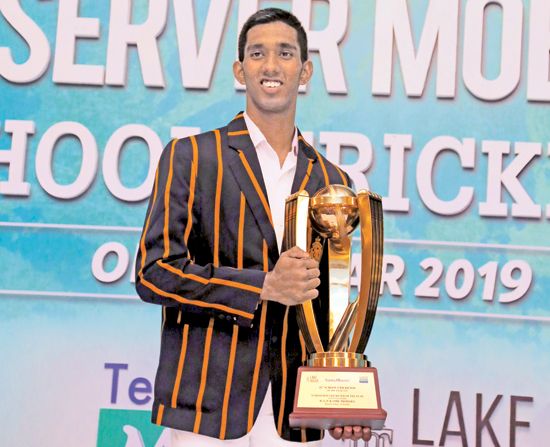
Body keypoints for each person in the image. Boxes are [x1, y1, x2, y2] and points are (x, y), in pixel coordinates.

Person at [135, 7, 372, 446]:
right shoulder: (191, 157)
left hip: (293, 418)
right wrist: (262, 286)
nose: (271, 65)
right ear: (240, 70)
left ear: (305, 71)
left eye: (285, 53)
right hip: (208, 412)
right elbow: (154, 273)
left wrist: (343, 399)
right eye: (258, 53)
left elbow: (330, 307)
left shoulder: (335, 182)